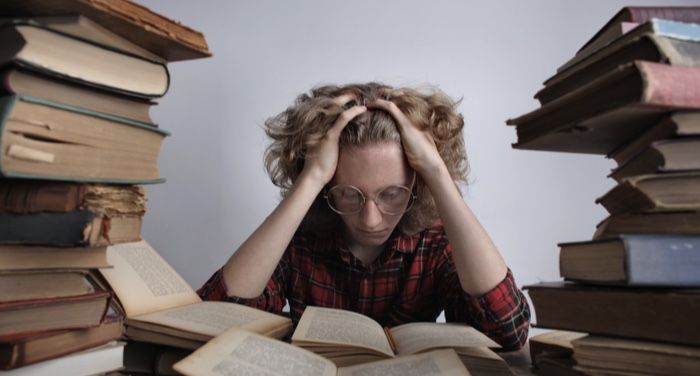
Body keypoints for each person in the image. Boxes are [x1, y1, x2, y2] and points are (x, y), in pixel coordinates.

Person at [198, 82, 530, 350]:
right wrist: (311, 178)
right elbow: (215, 318)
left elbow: (508, 332)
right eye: (349, 195)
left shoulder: (437, 241)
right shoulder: (297, 240)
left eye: (392, 194)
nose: (371, 220)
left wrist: (437, 172)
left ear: (416, 183)